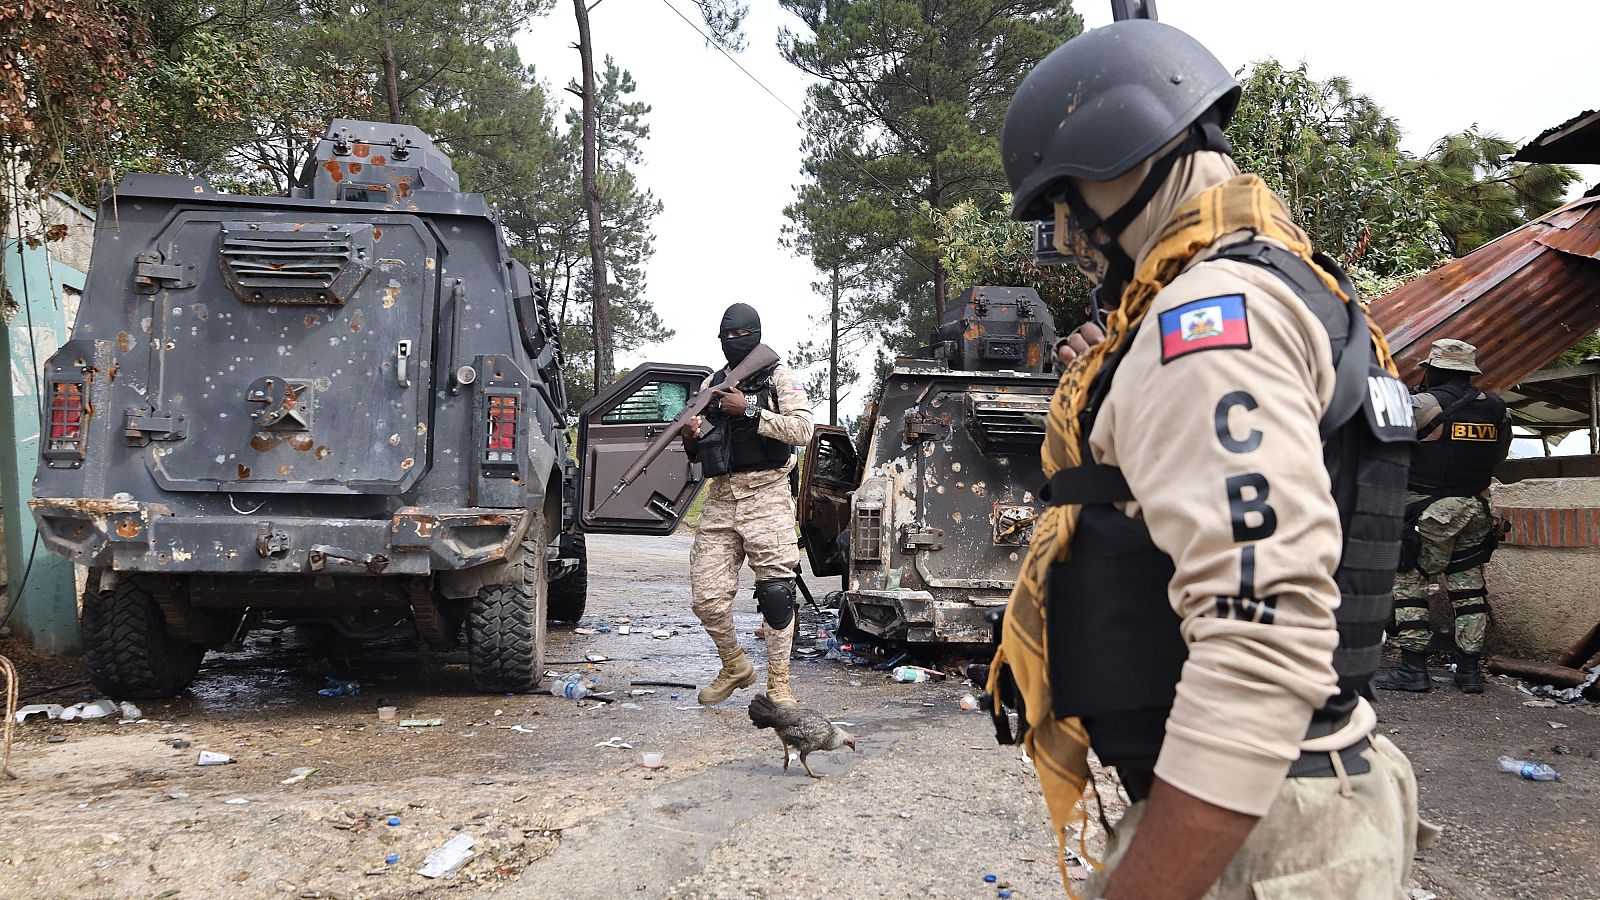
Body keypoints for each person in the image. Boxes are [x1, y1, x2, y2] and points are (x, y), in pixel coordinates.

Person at [987, 19, 1430, 899]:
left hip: (1261, 829)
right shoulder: (1294, 280)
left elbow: (1259, 646)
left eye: (1070, 209)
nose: (1078, 244)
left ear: (1122, 155)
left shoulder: (1212, 316)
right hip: (1291, 797)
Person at [681, 303, 814, 707]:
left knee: (776, 593)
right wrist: (691, 434)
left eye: (740, 335)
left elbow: (803, 429)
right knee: (706, 597)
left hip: (768, 493)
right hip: (721, 496)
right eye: (726, 336)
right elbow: (697, 452)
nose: (732, 342)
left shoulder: (779, 376)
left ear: (756, 333)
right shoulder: (712, 383)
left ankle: (778, 686)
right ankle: (735, 664)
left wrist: (752, 410)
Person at [1376, 339, 1511, 695]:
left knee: (1410, 583)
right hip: (1477, 509)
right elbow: (1497, 457)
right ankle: (1469, 673)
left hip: (1426, 511)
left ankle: (1412, 670)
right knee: (1469, 590)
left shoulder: (1420, 404)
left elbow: (1382, 448)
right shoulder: (1497, 409)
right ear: (1469, 373)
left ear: (1435, 369)